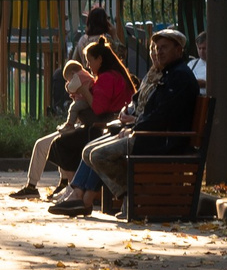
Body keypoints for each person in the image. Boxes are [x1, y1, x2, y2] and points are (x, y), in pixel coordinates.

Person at [49, 28, 200, 217]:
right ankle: (81, 198)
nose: (158, 52)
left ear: (179, 50)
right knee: (88, 150)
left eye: (165, 48)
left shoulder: (179, 77)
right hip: (150, 134)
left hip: (161, 140)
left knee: (98, 155)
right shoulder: (166, 73)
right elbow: (139, 102)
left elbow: (162, 115)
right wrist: (127, 114)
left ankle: (131, 195)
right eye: (157, 48)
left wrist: (135, 128)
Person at [14, 59, 94, 199]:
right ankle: (33, 185)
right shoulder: (89, 79)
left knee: (60, 142)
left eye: (90, 61)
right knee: (46, 143)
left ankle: (57, 184)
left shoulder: (86, 79)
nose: (88, 66)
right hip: (79, 125)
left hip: (84, 127)